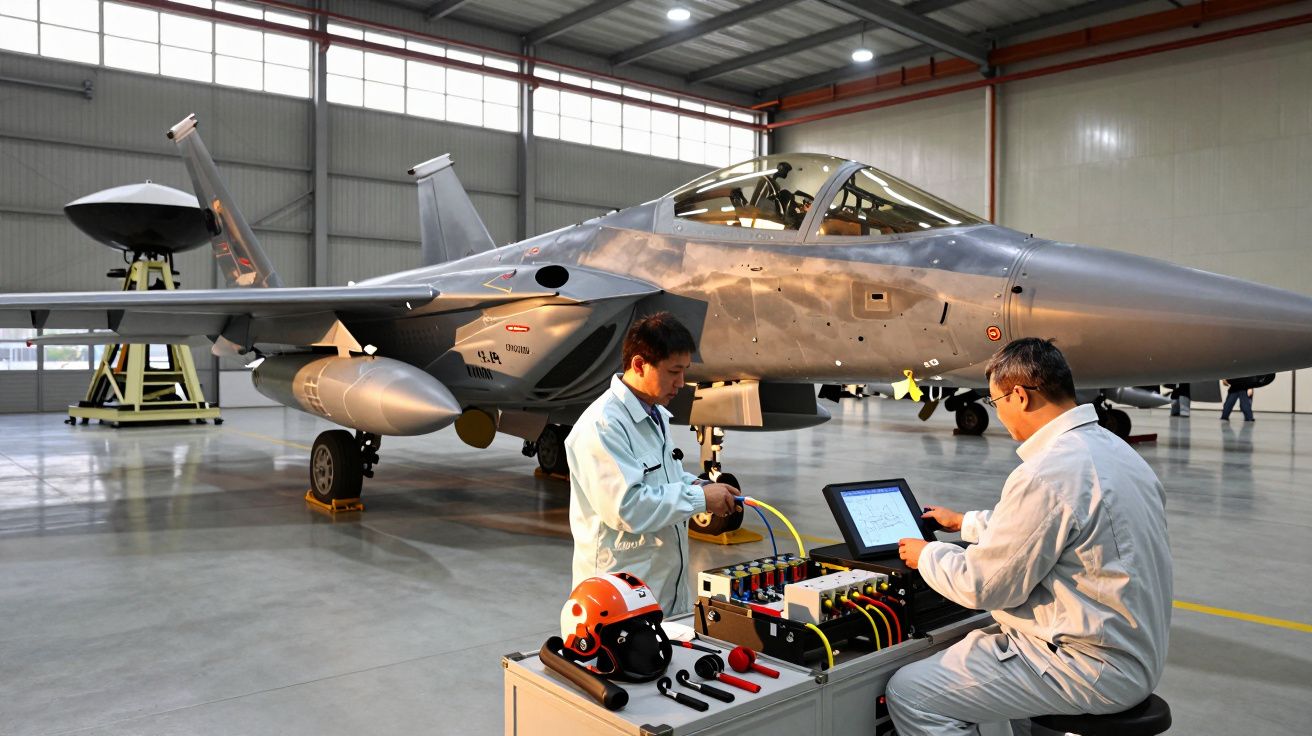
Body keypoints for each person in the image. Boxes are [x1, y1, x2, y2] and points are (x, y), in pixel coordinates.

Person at [888, 337, 1173, 736]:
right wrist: (965, 522)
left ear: (1019, 396)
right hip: (1130, 656)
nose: (999, 414)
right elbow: (1055, 525)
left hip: (1085, 666)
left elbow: (983, 585)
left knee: (910, 693)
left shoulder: (1047, 471)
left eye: (995, 402)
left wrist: (927, 555)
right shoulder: (1114, 451)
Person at [566, 312, 738, 615]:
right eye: (674, 372)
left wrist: (700, 485)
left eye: (684, 371)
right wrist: (699, 499)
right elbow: (627, 507)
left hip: (661, 592)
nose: (681, 383)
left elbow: (663, 478)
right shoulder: (603, 425)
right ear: (639, 365)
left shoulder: (654, 414)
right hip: (619, 601)